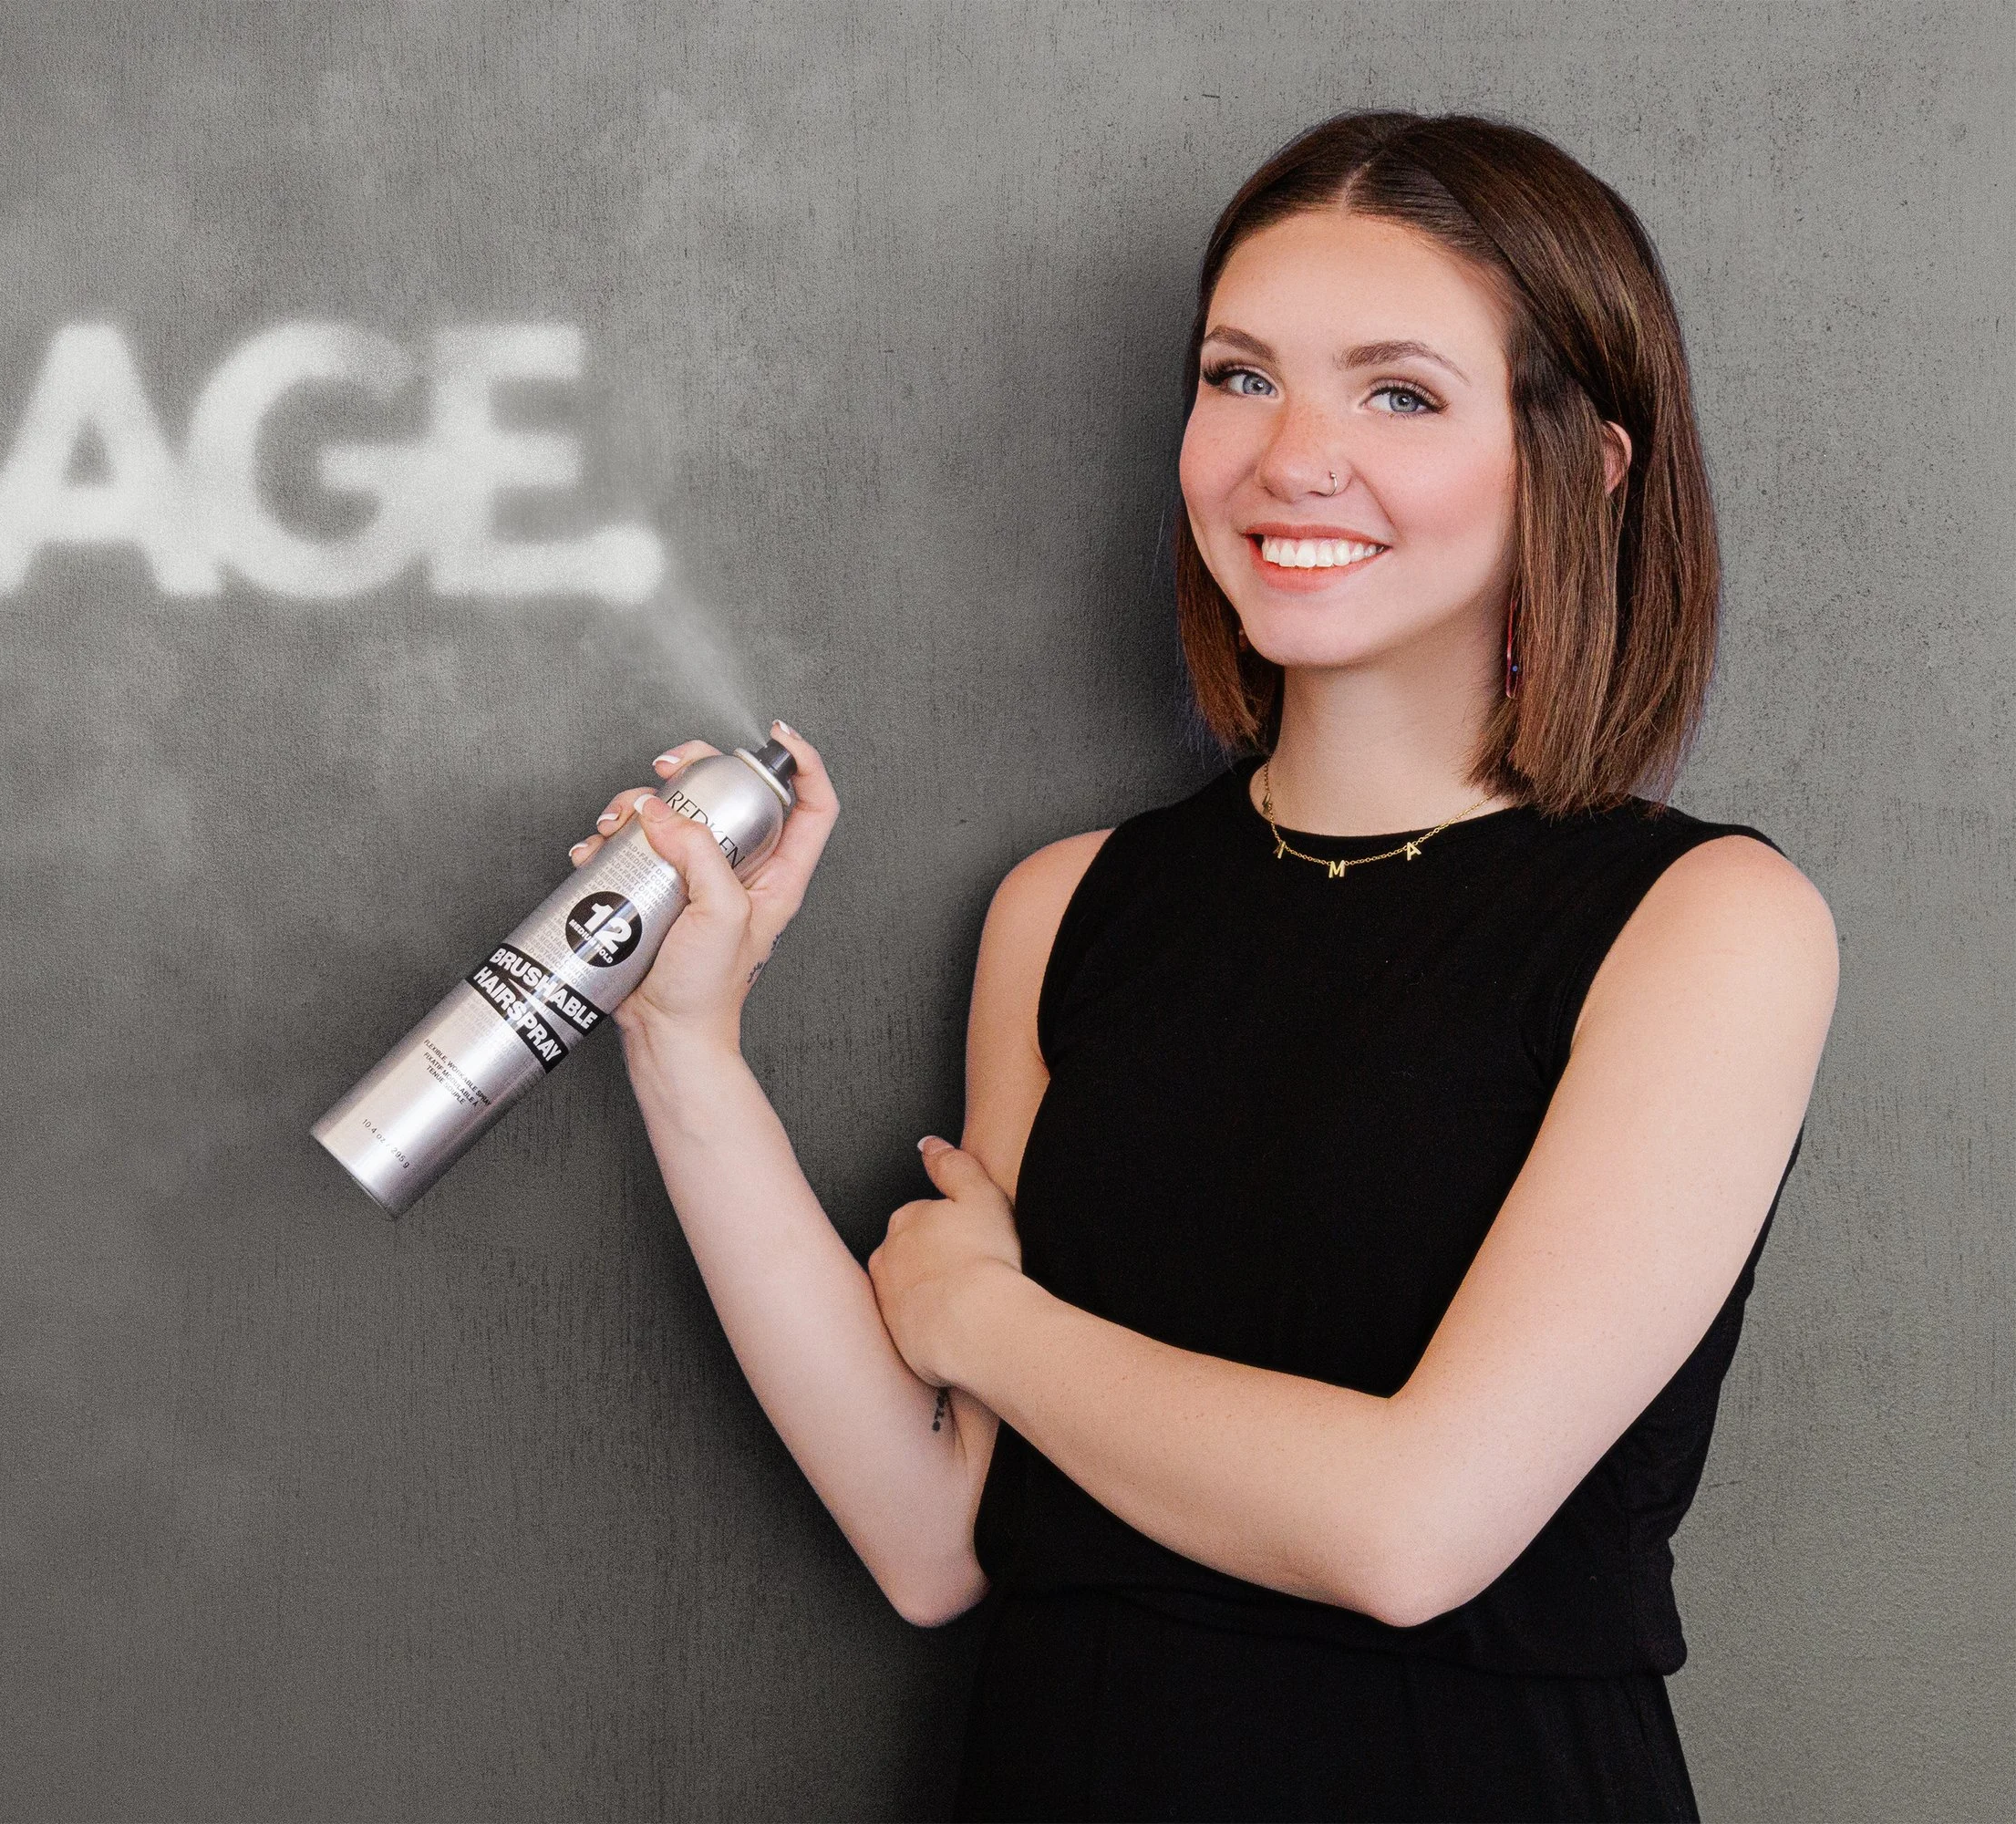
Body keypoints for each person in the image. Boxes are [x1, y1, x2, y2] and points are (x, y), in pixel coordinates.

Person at [562, 110, 1837, 1823]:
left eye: (1399, 393)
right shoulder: (1071, 907)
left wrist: (987, 1323)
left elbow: (1409, 1533)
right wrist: (688, 1046)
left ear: (1586, 466)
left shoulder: (1708, 925)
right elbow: (940, 1542)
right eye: (1242, 378)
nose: (1291, 458)